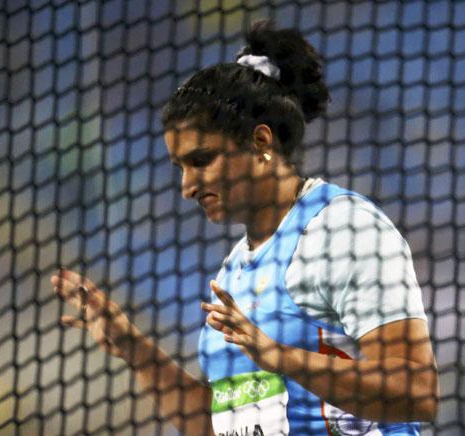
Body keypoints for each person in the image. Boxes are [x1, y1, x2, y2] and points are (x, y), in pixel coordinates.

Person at [52, 19, 438, 436]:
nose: (187, 187)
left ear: (260, 142)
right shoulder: (234, 270)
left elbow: (415, 392)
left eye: (202, 161)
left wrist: (280, 356)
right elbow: (217, 425)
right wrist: (134, 348)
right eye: (180, 168)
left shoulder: (344, 231)